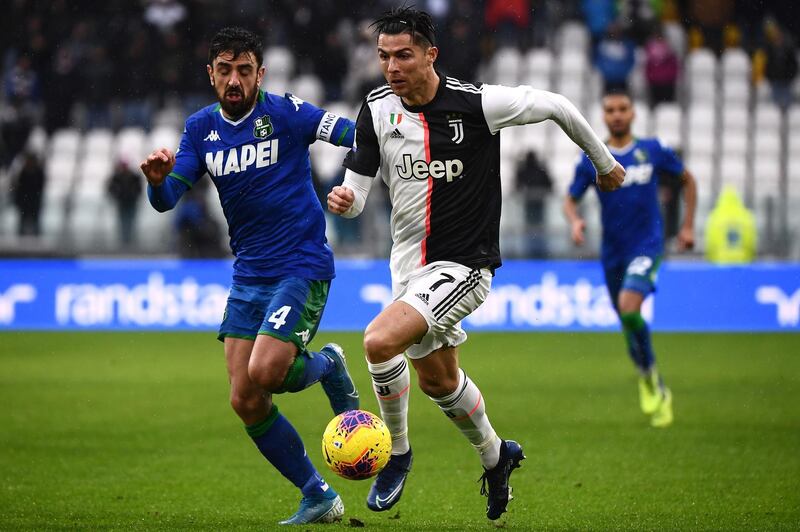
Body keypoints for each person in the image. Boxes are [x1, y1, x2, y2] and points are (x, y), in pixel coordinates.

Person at [327, 7, 625, 521]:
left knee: (377, 341)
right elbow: (357, 191)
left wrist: (605, 164)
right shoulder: (375, 109)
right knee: (438, 382)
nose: (392, 67)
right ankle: (496, 456)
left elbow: (555, 104)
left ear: (430, 55)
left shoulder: (478, 104)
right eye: (384, 57)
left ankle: (396, 454)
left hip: (465, 264)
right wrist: (345, 202)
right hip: (407, 267)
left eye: (403, 55)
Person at [140, 27, 359, 525]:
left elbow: (352, 133)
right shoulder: (200, 129)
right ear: (211, 73)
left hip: (301, 265)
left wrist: (356, 181)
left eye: (244, 70)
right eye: (224, 69)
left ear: (260, 73)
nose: (234, 80)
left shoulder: (287, 112)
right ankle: (318, 494)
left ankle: (328, 364)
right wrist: (156, 183)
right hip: (249, 274)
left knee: (266, 372)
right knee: (245, 398)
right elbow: (168, 197)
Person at [563, 91, 697, 428]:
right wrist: (575, 220)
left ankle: (651, 379)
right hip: (613, 253)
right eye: (610, 110)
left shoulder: (651, 150)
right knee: (627, 321)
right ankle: (649, 376)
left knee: (629, 306)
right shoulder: (593, 156)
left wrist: (688, 226)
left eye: (623, 109)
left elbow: (687, 180)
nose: (617, 115)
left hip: (647, 245)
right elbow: (570, 198)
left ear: (633, 113)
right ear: (603, 116)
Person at [704, 185, 757, 264]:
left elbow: (710, 242)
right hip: (743, 262)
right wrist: (750, 258)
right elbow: (751, 242)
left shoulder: (715, 216)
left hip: (720, 262)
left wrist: (710, 259)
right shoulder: (746, 216)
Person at [107, 159, 142, 246]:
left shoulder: (134, 177)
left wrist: (134, 195)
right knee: (123, 221)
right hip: (122, 202)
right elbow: (110, 188)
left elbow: (139, 189)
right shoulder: (117, 177)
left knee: (130, 221)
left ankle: (129, 240)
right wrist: (116, 195)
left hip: (131, 202)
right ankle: (124, 240)